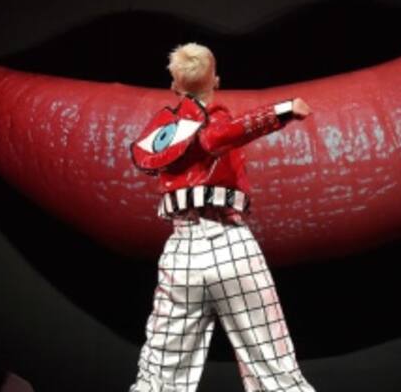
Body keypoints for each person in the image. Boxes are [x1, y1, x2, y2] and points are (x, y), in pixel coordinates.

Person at [128, 43, 315, 392]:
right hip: (228, 242)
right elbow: (220, 136)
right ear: (216, 80)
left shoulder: (166, 132)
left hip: (181, 252)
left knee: (160, 368)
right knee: (272, 363)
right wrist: (282, 110)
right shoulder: (213, 119)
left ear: (174, 86)